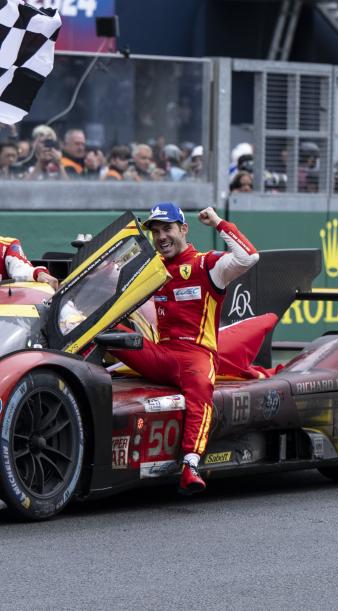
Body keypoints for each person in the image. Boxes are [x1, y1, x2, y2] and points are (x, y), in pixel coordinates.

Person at [118, 203, 259, 495]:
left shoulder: (207, 264)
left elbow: (249, 257)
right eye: (155, 232)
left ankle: (191, 464)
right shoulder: (151, 269)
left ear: (184, 229)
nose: (161, 237)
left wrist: (219, 222)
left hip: (197, 355)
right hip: (161, 355)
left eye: (167, 229)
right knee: (104, 332)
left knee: (199, 389)